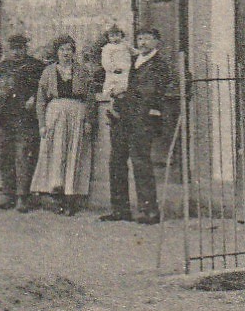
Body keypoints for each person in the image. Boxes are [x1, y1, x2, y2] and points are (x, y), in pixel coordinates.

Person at [101, 26, 174, 225]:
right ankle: (120, 209)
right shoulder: (132, 60)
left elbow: (150, 91)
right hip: (121, 117)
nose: (143, 43)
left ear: (157, 41)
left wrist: (126, 92)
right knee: (116, 162)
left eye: (147, 38)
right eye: (140, 39)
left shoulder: (159, 65)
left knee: (140, 162)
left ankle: (149, 211)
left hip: (142, 119)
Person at [29, 34, 95, 216]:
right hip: (55, 114)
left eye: (69, 50)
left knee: (74, 153)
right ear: (56, 52)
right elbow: (41, 99)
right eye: (62, 49)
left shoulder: (82, 71)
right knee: (56, 153)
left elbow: (90, 97)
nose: (66, 53)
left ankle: (70, 198)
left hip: (77, 113)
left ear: (73, 52)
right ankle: (56, 197)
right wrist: (42, 124)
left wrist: (89, 120)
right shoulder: (48, 72)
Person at [0, 33, 45, 212]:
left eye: (20, 48)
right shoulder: (1, 68)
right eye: (13, 49)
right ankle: (8, 194)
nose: (17, 52)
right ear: (8, 50)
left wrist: (34, 99)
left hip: (26, 119)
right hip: (4, 119)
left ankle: (22, 197)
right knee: (5, 156)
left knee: (24, 157)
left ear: (26, 48)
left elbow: (43, 88)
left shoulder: (36, 67)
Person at [99, 25, 133, 107]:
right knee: (112, 86)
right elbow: (105, 60)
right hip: (113, 72)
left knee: (124, 87)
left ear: (121, 36)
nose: (115, 38)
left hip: (125, 70)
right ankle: (111, 103)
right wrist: (113, 68)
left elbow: (133, 51)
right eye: (112, 36)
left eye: (117, 35)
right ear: (108, 38)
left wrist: (138, 53)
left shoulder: (125, 45)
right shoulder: (107, 48)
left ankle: (122, 102)